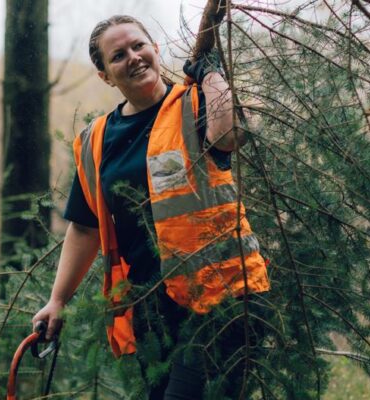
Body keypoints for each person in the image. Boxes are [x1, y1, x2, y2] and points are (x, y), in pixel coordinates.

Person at [32, 15, 271, 399]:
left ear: (156, 49)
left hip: (225, 298)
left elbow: (229, 137)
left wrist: (212, 77)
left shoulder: (194, 104)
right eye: (118, 55)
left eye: (139, 45)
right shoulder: (96, 140)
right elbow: (85, 227)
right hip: (151, 308)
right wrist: (57, 300)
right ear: (105, 76)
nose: (133, 57)